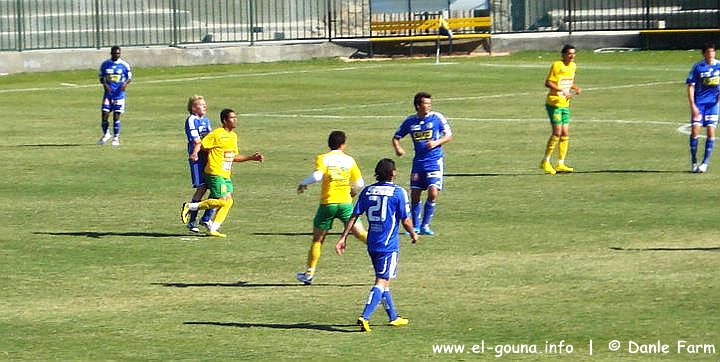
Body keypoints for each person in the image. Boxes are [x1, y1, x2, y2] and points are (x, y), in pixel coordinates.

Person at [335, 158, 418, 332]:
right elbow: (406, 220)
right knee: (382, 280)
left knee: (383, 279)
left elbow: (354, 215)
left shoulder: (367, 191)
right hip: (388, 245)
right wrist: (412, 233)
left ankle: (393, 317)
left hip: (372, 243)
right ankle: (364, 316)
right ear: (393, 173)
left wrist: (343, 237)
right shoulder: (398, 192)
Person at [295, 130, 368, 285]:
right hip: (346, 204)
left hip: (327, 204)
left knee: (318, 239)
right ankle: (385, 250)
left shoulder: (323, 158)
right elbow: (360, 183)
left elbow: (317, 176)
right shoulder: (349, 160)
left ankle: (309, 273)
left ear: (329, 144)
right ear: (343, 144)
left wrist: (303, 183)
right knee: (361, 234)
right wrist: (352, 192)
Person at [180, 108, 264, 237]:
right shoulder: (217, 134)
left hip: (225, 174)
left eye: (235, 117)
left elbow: (233, 157)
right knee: (221, 201)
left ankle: (213, 229)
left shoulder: (233, 136)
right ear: (225, 121)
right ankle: (190, 207)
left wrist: (251, 158)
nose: (235, 120)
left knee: (229, 201)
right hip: (214, 172)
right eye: (232, 118)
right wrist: (198, 155)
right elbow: (202, 145)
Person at [392, 92, 453, 236]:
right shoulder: (410, 121)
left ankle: (425, 225)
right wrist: (398, 148)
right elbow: (396, 137)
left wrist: (437, 142)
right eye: (426, 103)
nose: (429, 105)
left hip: (434, 161)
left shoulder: (437, 117)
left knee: (433, 193)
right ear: (418, 105)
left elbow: (449, 135)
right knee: (415, 195)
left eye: (430, 103)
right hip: (418, 163)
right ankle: (416, 226)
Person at [540, 44, 581, 175]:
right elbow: (548, 82)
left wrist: (575, 87)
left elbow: (568, 82)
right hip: (554, 103)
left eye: (573, 53)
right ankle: (545, 161)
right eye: (569, 53)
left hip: (565, 104)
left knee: (565, 133)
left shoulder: (573, 66)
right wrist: (561, 90)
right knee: (557, 133)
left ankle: (560, 163)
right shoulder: (557, 65)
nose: (572, 56)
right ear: (563, 55)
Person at [184, 95, 216, 233]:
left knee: (216, 186)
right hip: (197, 157)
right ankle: (192, 220)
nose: (204, 107)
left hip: (208, 155)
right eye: (201, 105)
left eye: (205, 104)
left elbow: (209, 138)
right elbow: (197, 141)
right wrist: (197, 153)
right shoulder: (191, 120)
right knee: (202, 187)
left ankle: (206, 218)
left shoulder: (206, 120)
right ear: (193, 108)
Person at [687, 42, 720, 173]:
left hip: (713, 105)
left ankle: (705, 163)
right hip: (699, 104)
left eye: (713, 51)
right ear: (704, 53)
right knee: (695, 131)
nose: (711, 54)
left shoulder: (719, 66)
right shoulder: (698, 67)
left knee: (711, 132)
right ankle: (694, 161)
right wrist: (693, 106)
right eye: (708, 52)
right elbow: (690, 86)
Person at [97, 46, 132, 147]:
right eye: (115, 53)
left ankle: (116, 137)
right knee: (104, 114)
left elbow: (129, 77)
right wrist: (105, 85)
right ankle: (106, 134)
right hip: (108, 94)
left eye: (118, 53)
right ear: (111, 53)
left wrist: (125, 84)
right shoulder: (105, 64)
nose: (117, 55)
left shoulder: (124, 65)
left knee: (116, 116)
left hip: (119, 95)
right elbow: (101, 77)